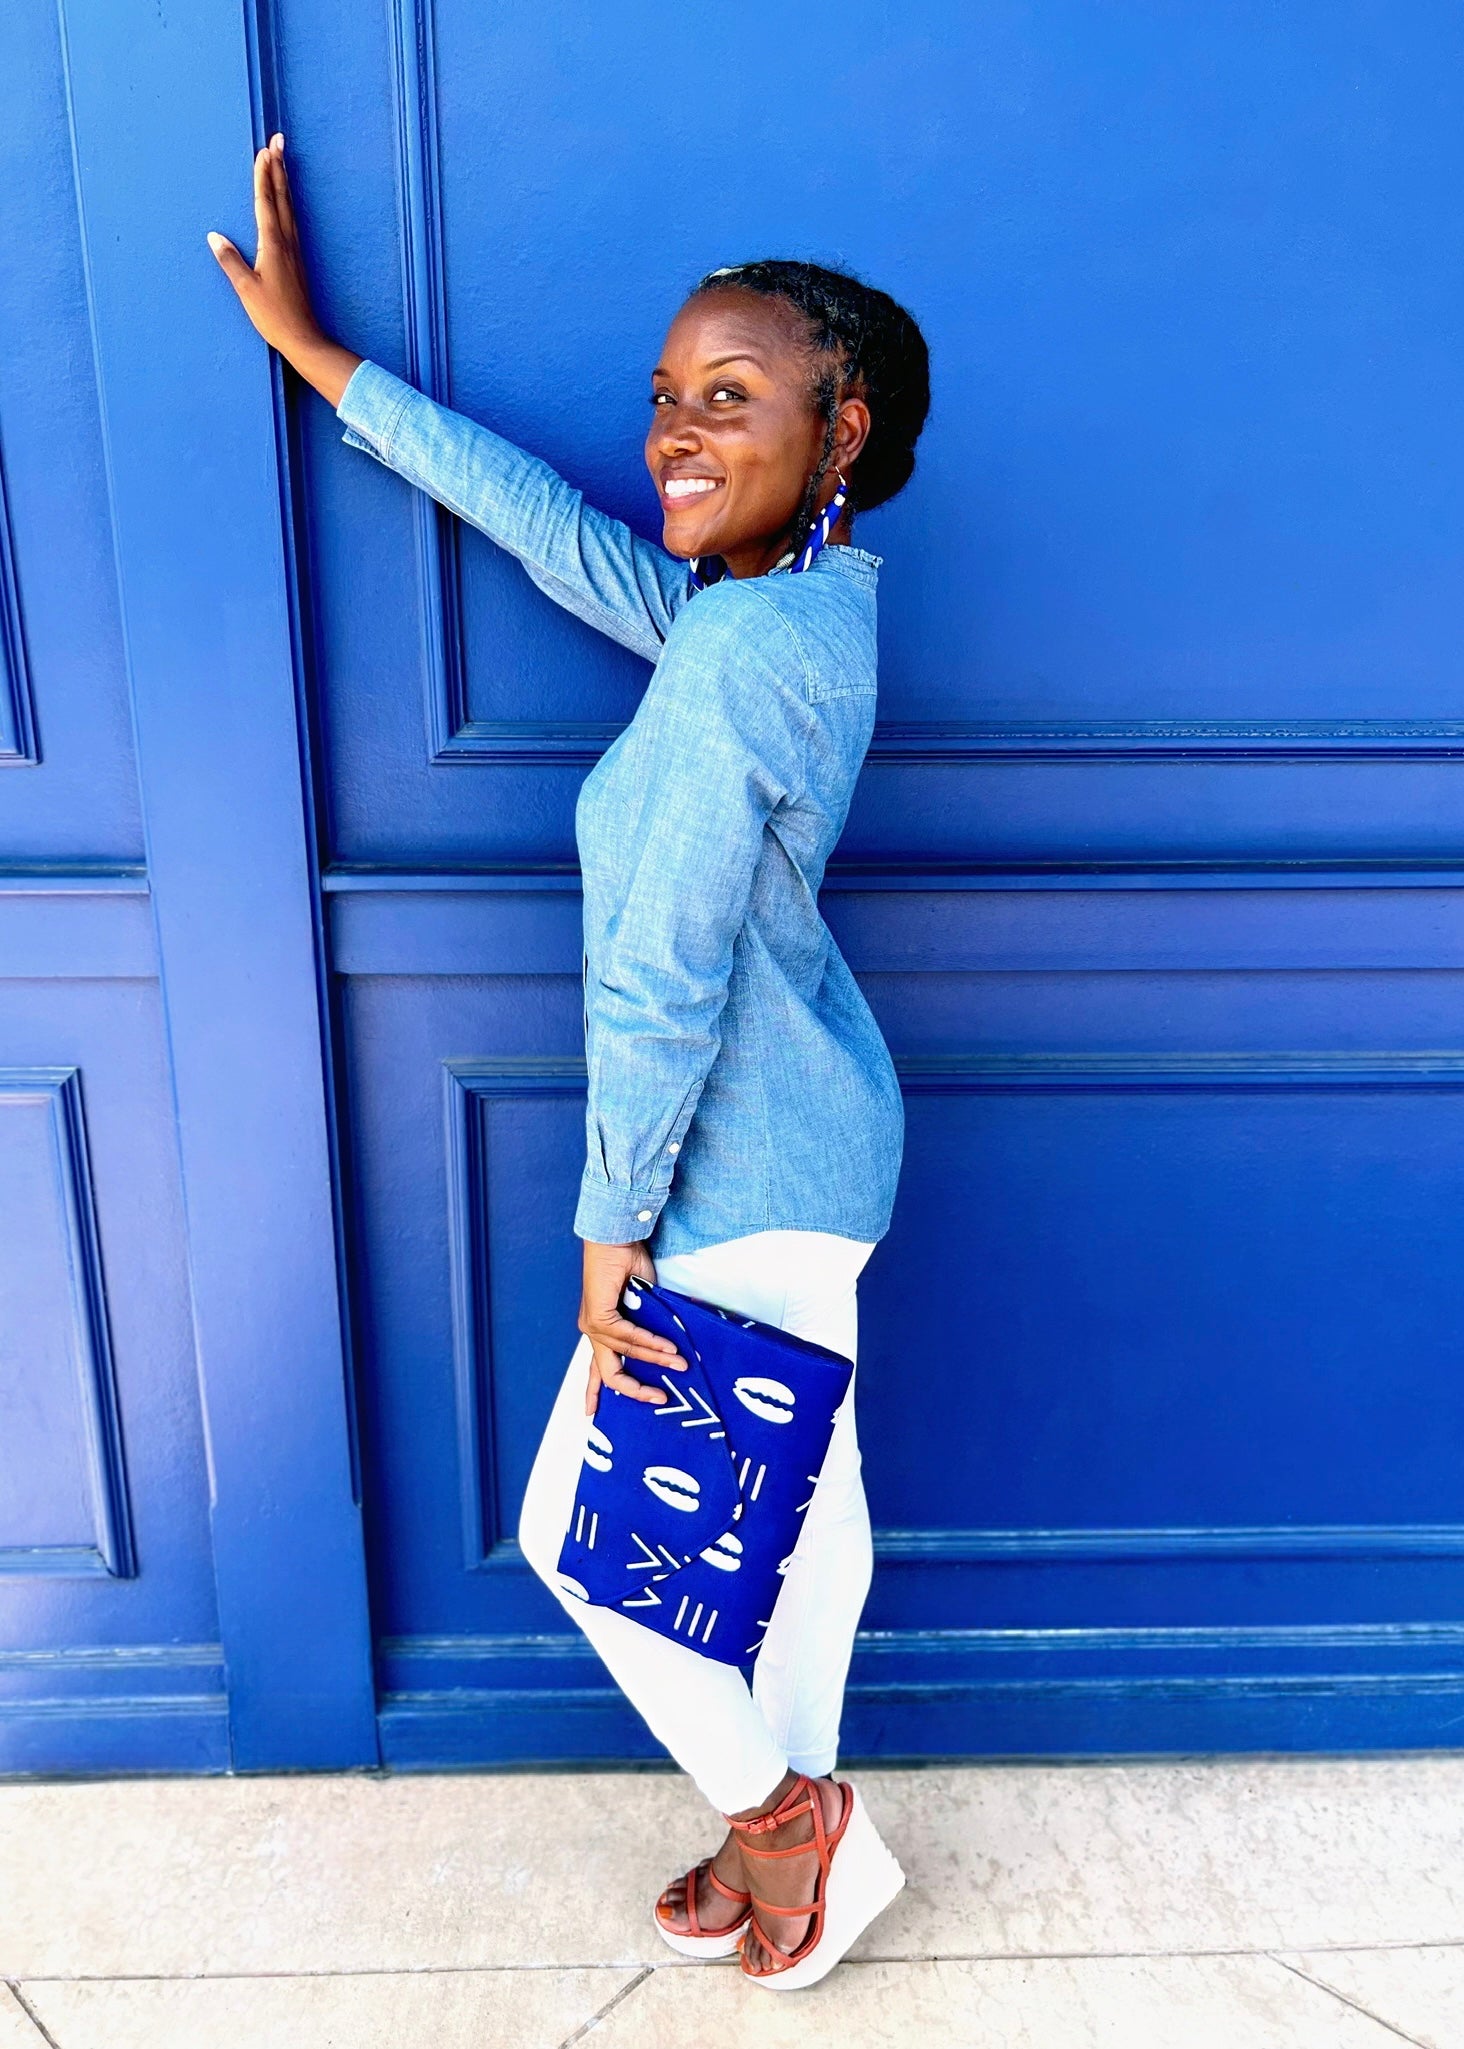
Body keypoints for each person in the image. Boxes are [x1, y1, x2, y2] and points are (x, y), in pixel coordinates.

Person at [208, 132, 930, 1992]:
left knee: (581, 1538)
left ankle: (796, 1827)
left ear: (836, 435)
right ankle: (792, 1813)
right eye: (670, 396)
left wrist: (614, 1225)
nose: (678, 429)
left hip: (736, 1177)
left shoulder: (736, 663)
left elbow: (662, 976)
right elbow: (556, 528)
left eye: (735, 396)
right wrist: (329, 365)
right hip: (814, 1158)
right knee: (796, 1528)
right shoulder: (794, 611)